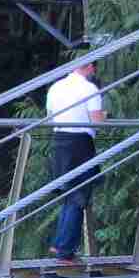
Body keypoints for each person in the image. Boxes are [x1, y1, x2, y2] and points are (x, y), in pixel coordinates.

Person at [45, 55, 105, 265]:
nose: (94, 73)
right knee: (79, 197)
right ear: (88, 67)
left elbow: (51, 116)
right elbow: (98, 122)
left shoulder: (55, 87)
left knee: (69, 194)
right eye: (93, 69)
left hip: (59, 140)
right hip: (80, 144)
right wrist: (105, 115)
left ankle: (60, 243)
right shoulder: (89, 89)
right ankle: (65, 250)